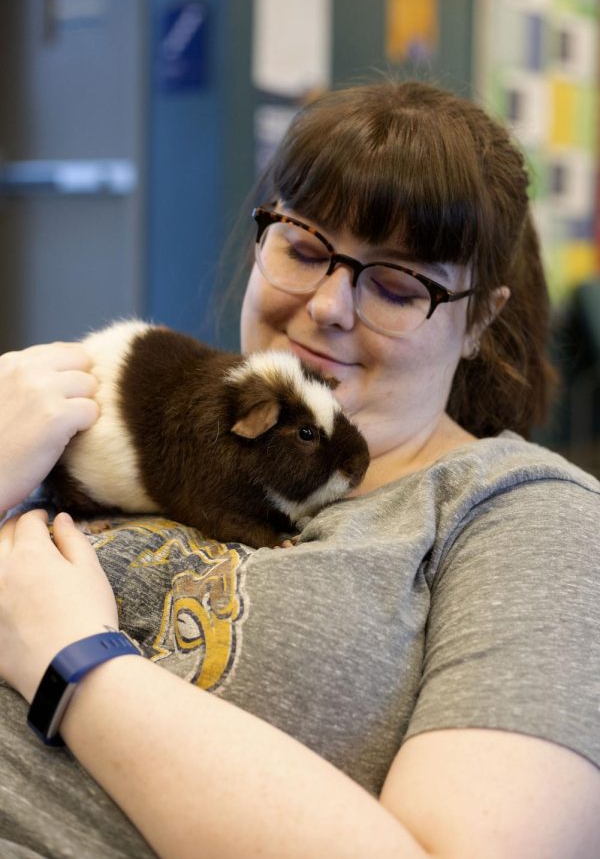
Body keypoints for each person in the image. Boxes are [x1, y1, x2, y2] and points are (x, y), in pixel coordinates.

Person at [0, 79, 599, 859]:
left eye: (394, 284)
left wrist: (75, 663)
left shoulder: (525, 520)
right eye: (303, 247)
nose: (326, 307)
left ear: (479, 316)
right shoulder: (151, 409)